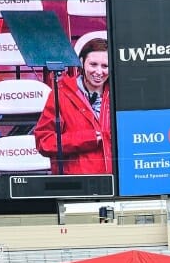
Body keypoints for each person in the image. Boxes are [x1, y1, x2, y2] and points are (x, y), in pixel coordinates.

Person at [33, 37, 112, 175]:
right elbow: (44, 142)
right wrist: (88, 138)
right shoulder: (61, 94)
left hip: (115, 185)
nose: (99, 72)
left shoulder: (119, 94)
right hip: (77, 185)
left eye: (105, 66)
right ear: (81, 62)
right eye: (93, 64)